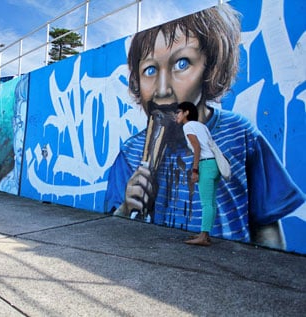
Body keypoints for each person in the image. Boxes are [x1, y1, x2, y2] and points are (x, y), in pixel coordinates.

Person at [104, 4, 305, 249]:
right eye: (150, 69)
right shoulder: (130, 153)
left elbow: (266, 226)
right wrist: (126, 207)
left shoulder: (241, 134)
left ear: (211, 68)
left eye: (182, 64)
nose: (163, 89)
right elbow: (111, 225)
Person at [175, 101, 220, 246]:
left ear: (186, 112)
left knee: (206, 203)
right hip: (214, 165)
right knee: (211, 202)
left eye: (178, 112)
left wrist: (194, 170)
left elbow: (197, 148)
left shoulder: (188, 126)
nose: (176, 115)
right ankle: (205, 234)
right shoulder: (202, 126)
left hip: (205, 164)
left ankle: (203, 236)